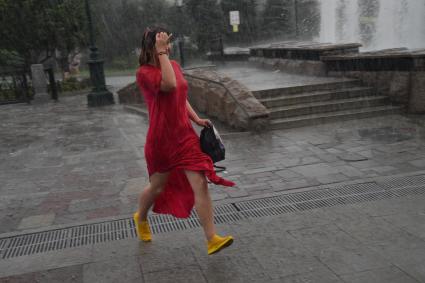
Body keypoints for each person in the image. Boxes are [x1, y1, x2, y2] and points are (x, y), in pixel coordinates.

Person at [134, 27, 235, 255]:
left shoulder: (174, 65)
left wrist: (196, 117)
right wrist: (161, 54)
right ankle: (140, 217)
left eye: (168, 43)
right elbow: (168, 85)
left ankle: (212, 239)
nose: (168, 47)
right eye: (163, 42)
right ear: (152, 46)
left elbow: (180, 93)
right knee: (158, 187)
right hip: (161, 140)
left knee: (200, 181)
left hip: (184, 136)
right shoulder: (144, 73)